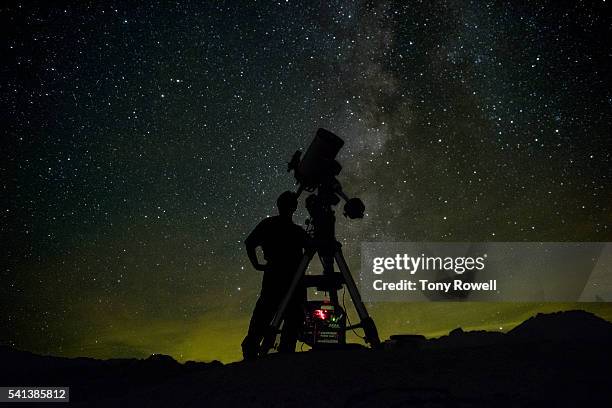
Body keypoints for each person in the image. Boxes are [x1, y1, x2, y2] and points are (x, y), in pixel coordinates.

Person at [241, 191, 310, 360]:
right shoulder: (297, 231)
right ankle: (285, 352)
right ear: (293, 208)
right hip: (292, 277)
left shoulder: (269, 224)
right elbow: (311, 245)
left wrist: (257, 264)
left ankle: (252, 350)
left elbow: (249, 243)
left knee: (265, 313)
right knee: (291, 315)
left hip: (275, 274)